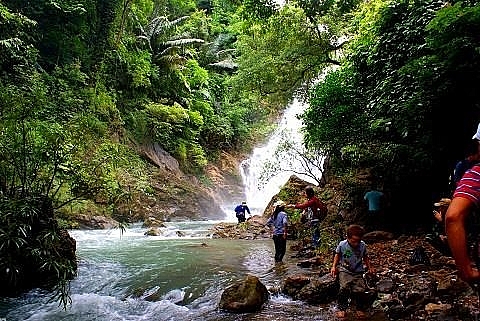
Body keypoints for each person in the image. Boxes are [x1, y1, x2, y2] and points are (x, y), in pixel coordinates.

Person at [330, 224, 375, 319]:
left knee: (360, 290)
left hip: (358, 270)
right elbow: (337, 255)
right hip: (345, 269)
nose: (356, 244)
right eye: (354, 241)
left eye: (358, 241)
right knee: (344, 288)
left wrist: (370, 267)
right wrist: (334, 267)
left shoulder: (362, 245)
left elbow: (365, 256)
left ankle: (359, 309)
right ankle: (342, 309)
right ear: (348, 238)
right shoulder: (342, 244)